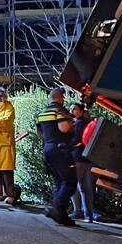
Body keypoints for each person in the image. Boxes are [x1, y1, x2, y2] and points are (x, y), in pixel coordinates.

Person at [36, 87, 77, 226]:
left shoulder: (42, 112)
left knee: (60, 181)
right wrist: (72, 122)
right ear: (60, 98)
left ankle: (60, 213)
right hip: (60, 149)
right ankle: (57, 209)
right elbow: (64, 128)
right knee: (70, 182)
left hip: (47, 149)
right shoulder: (59, 110)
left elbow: (39, 133)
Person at [68, 103, 98, 223]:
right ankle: (88, 213)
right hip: (88, 159)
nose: (72, 111)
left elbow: (74, 140)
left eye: (74, 109)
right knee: (86, 187)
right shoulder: (88, 123)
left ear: (81, 111)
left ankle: (78, 211)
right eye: (71, 109)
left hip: (77, 158)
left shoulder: (78, 124)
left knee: (74, 186)